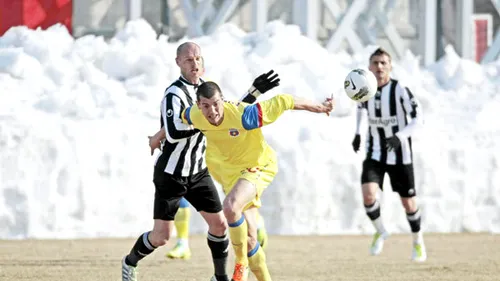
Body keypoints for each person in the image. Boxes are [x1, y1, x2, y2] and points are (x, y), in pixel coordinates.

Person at [121, 42, 271, 281]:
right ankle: (130, 262)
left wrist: (254, 92)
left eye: (198, 59)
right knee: (161, 236)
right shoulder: (173, 94)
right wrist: (208, 122)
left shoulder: (207, 89)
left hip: (198, 172)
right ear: (179, 63)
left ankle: (219, 277)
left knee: (220, 225)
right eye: (189, 60)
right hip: (171, 173)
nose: (195, 64)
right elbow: (172, 132)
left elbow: (229, 113)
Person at [180, 80, 334, 281]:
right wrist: (159, 136)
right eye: (206, 106)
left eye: (216, 104)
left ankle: (240, 264)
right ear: (199, 106)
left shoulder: (245, 115)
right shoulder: (194, 115)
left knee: (231, 207)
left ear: (223, 100)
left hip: (258, 166)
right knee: (250, 239)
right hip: (232, 177)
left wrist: (320, 107)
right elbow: (177, 119)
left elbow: (284, 100)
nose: (212, 111)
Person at [351, 47, 426, 262]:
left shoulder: (400, 90)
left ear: (390, 66)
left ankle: (418, 241)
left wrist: (399, 136)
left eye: (384, 63)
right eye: (375, 63)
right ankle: (381, 231)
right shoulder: (365, 89)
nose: (379, 67)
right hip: (375, 152)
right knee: (368, 195)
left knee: (409, 204)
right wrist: (357, 133)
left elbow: (418, 119)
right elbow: (360, 108)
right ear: (369, 67)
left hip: (400, 154)